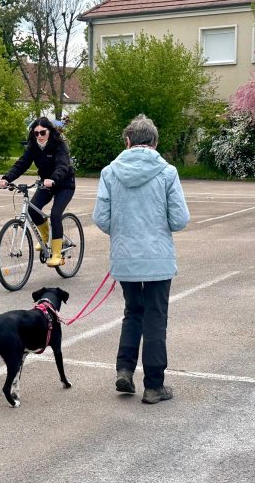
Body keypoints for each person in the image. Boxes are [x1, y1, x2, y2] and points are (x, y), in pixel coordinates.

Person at [92, 114, 190, 404]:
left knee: (132, 312)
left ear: (127, 141)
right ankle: (154, 384)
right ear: (155, 142)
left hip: (125, 257)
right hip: (158, 258)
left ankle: (124, 368)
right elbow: (179, 219)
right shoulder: (167, 172)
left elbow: (101, 218)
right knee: (155, 318)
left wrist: (122, 230)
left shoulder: (110, 172)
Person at [0, 116, 76, 267]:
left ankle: (57, 254)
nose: (39, 136)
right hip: (46, 184)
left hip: (64, 184)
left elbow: (62, 165)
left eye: (43, 132)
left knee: (55, 214)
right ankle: (46, 239)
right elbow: (22, 164)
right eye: (36, 133)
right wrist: (6, 178)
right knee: (33, 210)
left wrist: (53, 179)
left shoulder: (59, 145)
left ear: (50, 131)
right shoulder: (33, 146)